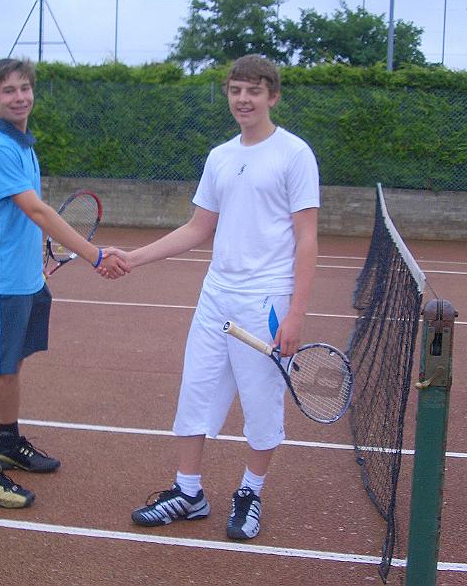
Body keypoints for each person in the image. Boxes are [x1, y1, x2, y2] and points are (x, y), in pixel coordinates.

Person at [117, 54, 319, 539]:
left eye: (254, 90)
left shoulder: (295, 154)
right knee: (196, 392)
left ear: (273, 95)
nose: (243, 99)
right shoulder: (220, 156)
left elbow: (307, 237)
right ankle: (189, 492)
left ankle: (250, 491)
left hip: (266, 301)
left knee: (262, 404)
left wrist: (295, 314)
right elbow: (197, 227)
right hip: (216, 297)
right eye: (236, 90)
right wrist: (134, 257)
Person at [0, 58, 127, 509]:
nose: (19, 96)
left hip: (25, 279)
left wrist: (35, 260)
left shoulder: (22, 144)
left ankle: (8, 443)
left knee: (12, 365)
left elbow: (24, 218)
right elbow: (37, 211)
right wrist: (95, 255)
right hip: (0, 282)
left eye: (25, 88)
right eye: (8, 90)